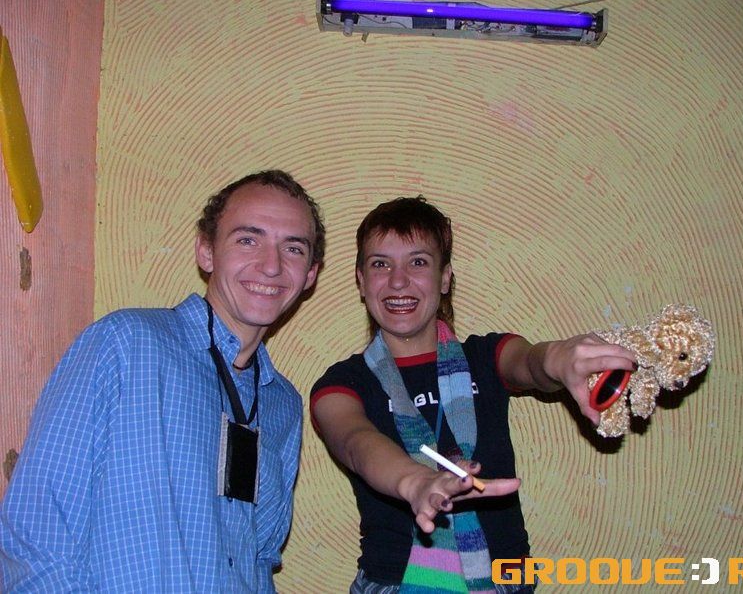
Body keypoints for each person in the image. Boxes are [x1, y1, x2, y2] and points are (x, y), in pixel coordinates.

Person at [0, 170, 325, 592]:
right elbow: (39, 529)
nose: (271, 265)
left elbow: (259, 557)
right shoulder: (126, 344)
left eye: (293, 248)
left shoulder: (282, 402)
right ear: (206, 251)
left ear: (310, 274)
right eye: (248, 239)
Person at [310, 196, 637, 593]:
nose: (398, 281)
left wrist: (558, 358)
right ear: (361, 281)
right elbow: (355, 442)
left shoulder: (486, 356)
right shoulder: (343, 383)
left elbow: (530, 362)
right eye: (380, 264)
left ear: (445, 278)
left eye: (418, 262)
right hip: (396, 582)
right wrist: (415, 482)